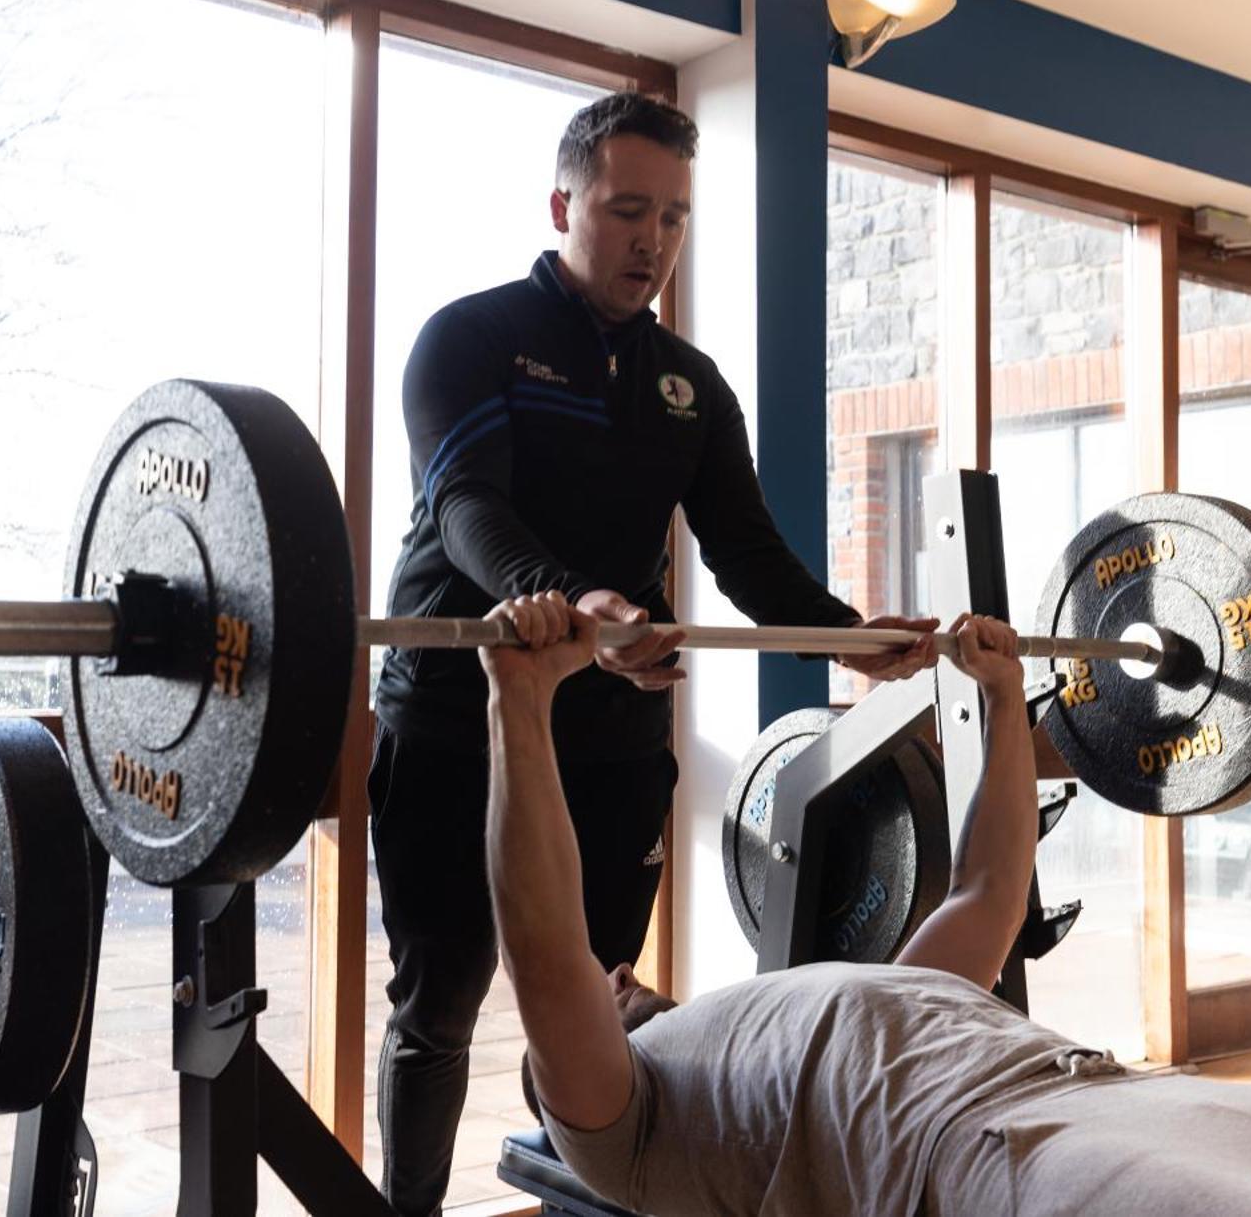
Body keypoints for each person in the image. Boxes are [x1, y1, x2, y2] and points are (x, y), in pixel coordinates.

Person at [481, 593, 1251, 1217]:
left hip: (1151, 1096)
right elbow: (541, 944)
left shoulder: (834, 998)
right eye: (604, 988)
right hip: (1012, 1159)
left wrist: (1004, 698)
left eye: (617, 970)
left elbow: (989, 887)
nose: (618, 972)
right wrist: (518, 706)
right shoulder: (628, 1125)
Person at [371, 91, 936, 1213]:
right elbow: (466, 508)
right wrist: (566, 598)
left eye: (673, 217)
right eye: (628, 210)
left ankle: (593, 1200)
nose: (653, 240)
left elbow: (749, 554)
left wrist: (855, 640)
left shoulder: (689, 384)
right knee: (438, 1005)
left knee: (592, 1001)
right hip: (456, 715)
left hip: (613, 730)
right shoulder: (470, 338)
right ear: (561, 204)